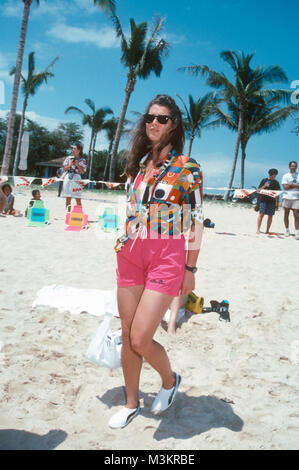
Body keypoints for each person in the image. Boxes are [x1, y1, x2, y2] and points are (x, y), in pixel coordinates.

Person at [109, 94, 204, 429]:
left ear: (173, 124)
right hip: (131, 253)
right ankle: (132, 403)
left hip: (167, 255)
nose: (154, 123)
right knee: (126, 331)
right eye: (150, 117)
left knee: (139, 337)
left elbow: (196, 221)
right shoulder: (138, 164)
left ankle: (169, 380)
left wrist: (190, 270)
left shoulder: (188, 168)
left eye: (162, 118)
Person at [61, 143, 87, 211]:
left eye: (74, 148)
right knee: (68, 197)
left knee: (77, 197)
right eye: (72, 148)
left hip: (77, 178)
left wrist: (77, 165)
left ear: (79, 150)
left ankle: (79, 214)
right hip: (68, 177)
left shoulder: (83, 160)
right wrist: (70, 165)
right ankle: (68, 214)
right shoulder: (68, 158)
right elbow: (64, 169)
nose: (73, 150)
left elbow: (83, 172)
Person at [256, 168, 281, 234]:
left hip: (272, 201)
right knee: (261, 215)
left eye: (275, 176)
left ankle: (267, 230)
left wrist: (277, 204)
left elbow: (277, 194)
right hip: (263, 200)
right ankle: (258, 229)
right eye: (273, 176)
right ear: (269, 175)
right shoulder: (264, 180)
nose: (273, 177)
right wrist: (264, 186)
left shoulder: (276, 182)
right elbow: (258, 190)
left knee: (270, 216)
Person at [281, 161, 299, 239]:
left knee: (296, 215)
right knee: (286, 214)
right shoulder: (285, 176)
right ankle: (287, 230)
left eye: (295, 166)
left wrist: (290, 184)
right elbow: (285, 187)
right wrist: (295, 185)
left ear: (296, 167)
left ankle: (297, 232)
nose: (293, 167)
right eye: (292, 166)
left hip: (296, 197)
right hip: (287, 197)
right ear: (289, 167)